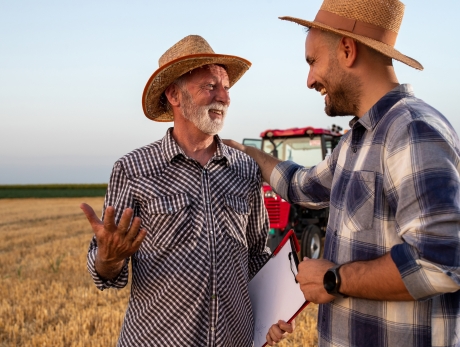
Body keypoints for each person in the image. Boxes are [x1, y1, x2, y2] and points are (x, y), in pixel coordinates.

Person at [224, 0, 460, 346]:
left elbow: (441, 264)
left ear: (348, 50)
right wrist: (250, 155)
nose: (309, 80)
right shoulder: (356, 141)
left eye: (312, 61)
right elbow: (301, 186)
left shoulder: (412, 130)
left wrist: (334, 279)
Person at [80, 35, 271, 347]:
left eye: (226, 87)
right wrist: (109, 258)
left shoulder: (245, 169)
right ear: (174, 94)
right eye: (211, 86)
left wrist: (275, 312)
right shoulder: (133, 169)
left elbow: (256, 256)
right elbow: (106, 272)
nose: (224, 97)